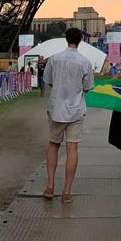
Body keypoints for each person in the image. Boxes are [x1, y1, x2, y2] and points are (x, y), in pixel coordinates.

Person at [43, 27, 94, 203]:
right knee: (72, 149)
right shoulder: (85, 62)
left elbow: (48, 81)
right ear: (81, 41)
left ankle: (50, 186)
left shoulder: (54, 59)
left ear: (66, 39)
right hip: (75, 109)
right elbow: (87, 87)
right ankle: (67, 191)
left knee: (53, 145)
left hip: (56, 108)